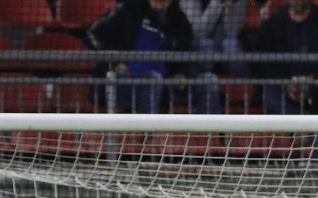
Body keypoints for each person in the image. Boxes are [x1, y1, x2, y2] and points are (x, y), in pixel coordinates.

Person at [87, 0, 220, 114]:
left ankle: (212, 139)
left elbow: (189, 55)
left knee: (208, 80)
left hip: (165, 86)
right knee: (152, 79)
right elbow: (91, 34)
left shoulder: (179, 20)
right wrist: (115, 62)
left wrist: (184, 74)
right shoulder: (128, 9)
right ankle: (149, 138)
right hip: (123, 83)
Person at [255, 0, 318, 115]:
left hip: (317, 80)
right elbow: (265, 64)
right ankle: (306, 126)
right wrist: (285, 82)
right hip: (283, 82)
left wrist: (315, 76)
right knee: (271, 99)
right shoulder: (272, 25)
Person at [179, 0, 248, 77]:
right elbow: (198, 32)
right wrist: (217, 3)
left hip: (226, 45)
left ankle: (245, 85)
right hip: (202, 46)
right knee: (205, 45)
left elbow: (232, 32)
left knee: (231, 44)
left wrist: (230, 6)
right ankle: (205, 79)